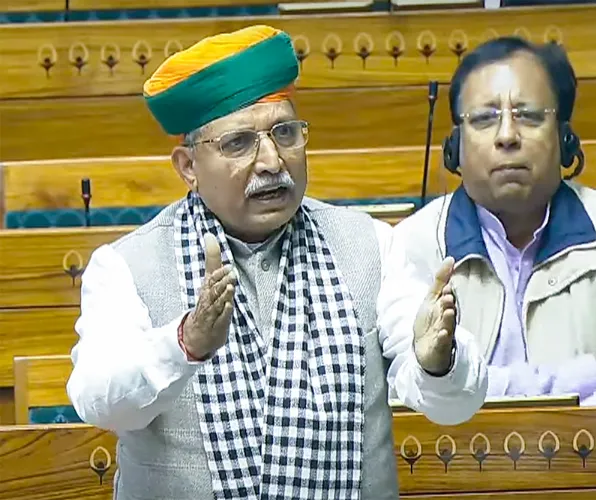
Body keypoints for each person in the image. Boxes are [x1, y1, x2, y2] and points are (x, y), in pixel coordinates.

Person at [66, 25, 488, 500]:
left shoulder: (369, 245)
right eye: (239, 143)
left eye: (285, 133)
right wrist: (185, 342)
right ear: (187, 167)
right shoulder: (125, 266)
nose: (272, 161)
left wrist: (436, 361)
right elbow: (98, 401)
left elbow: (453, 407)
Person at [377, 36, 596, 407]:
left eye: (529, 115)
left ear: (564, 138)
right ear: (455, 147)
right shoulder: (410, 247)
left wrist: (465, 393)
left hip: (593, 466)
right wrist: (583, 377)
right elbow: (402, 398)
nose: (507, 136)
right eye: (485, 118)